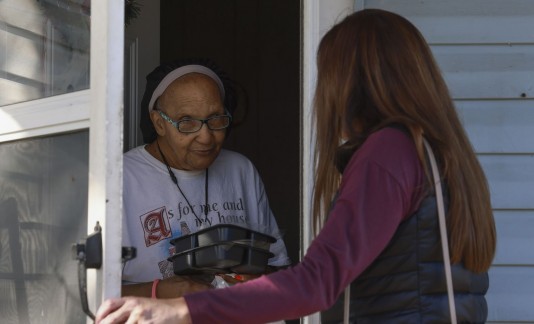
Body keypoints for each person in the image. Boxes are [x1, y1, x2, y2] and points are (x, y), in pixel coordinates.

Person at [96, 9, 496, 323]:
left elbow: (318, 280)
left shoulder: (388, 152)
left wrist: (182, 310)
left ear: (352, 82)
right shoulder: (436, 152)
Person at [120, 58, 291, 298]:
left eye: (216, 120)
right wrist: (159, 290)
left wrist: (257, 281)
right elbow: (91, 293)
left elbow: (279, 266)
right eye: (187, 122)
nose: (206, 137)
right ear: (159, 123)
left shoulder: (240, 170)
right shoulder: (122, 178)